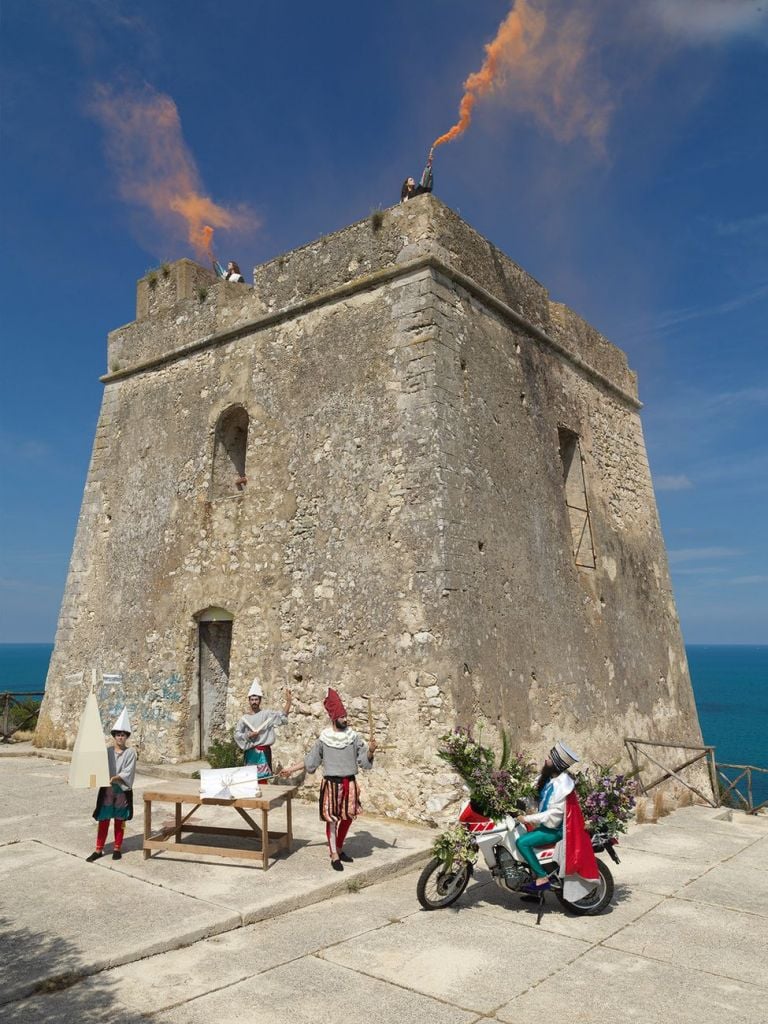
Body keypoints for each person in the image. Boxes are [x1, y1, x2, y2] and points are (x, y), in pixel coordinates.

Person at [281, 688, 376, 871]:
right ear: (334, 717)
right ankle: (333, 854)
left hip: (350, 783)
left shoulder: (353, 737)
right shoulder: (324, 740)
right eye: (342, 717)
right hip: (332, 785)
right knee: (332, 820)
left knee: (348, 818)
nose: (346, 719)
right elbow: (310, 761)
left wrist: (371, 750)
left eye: (346, 716)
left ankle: (339, 848)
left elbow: (364, 761)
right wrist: (290, 769)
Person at [515, 740, 580, 892]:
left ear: (556, 764)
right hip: (543, 825)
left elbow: (554, 814)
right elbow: (529, 794)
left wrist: (527, 819)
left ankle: (541, 876)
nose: (546, 760)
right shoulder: (548, 779)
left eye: (549, 758)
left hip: (553, 830)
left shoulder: (562, 785)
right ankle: (531, 888)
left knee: (522, 843)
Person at [86, 707, 137, 862]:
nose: (120, 737)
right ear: (114, 736)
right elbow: (97, 766)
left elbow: (128, 771)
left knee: (120, 820)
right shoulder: (107, 751)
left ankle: (117, 848)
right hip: (107, 790)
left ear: (126, 737)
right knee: (104, 819)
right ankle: (99, 849)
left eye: (123, 735)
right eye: (118, 735)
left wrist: (116, 778)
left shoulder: (130, 753)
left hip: (121, 790)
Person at [234, 679, 292, 782]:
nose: (254, 702)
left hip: (263, 753)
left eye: (256, 699)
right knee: (249, 780)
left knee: (263, 780)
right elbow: (237, 734)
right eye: (252, 699)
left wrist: (288, 701)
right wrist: (248, 735)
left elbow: (282, 717)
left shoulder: (267, 715)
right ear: (249, 700)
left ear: (260, 700)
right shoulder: (244, 719)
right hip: (250, 753)